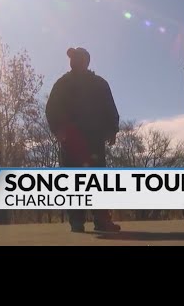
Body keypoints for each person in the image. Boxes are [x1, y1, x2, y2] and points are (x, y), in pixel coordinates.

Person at [45, 47, 121, 233]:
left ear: (86, 61)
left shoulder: (99, 83)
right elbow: (51, 109)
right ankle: (76, 220)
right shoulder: (62, 83)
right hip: (71, 138)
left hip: (94, 138)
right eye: (73, 58)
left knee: (98, 180)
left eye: (78, 58)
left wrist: (112, 130)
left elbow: (109, 106)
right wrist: (58, 130)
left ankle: (101, 219)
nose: (74, 61)